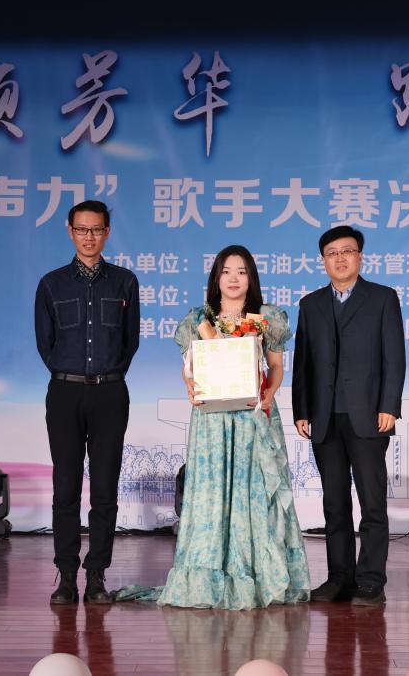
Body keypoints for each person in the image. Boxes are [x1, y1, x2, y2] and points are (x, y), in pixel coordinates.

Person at [145, 245, 310, 609]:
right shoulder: (198, 319)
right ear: (216, 277)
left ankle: (258, 576)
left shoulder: (265, 317)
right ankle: (210, 577)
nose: (234, 279)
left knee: (254, 492)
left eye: (242, 272)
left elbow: (276, 367)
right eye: (226, 271)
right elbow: (191, 368)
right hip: (212, 421)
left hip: (253, 415)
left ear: (251, 278)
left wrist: (269, 393)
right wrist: (189, 385)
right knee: (212, 492)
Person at [292, 226, 405, 606]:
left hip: (369, 415)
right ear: (323, 260)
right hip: (325, 418)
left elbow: (394, 357)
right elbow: (303, 362)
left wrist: (389, 405)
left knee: (372, 503)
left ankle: (371, 581)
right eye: (332, 253)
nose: (339, 258)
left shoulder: (382, 298)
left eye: (347, 251)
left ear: (360, 256)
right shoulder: (311, 304)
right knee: (334, 503)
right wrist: (302, 410)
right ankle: (339, 578)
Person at [34, 200, 140, 604]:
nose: (89, 236)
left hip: (110, 392)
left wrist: (108, 375)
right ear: (70, 231)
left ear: (107, 232)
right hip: (65, 392)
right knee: (65, 486)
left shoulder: (124, 282)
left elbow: (130, 341)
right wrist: (71, 373)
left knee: (105, 487)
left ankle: (96, 575)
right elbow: (45, 344)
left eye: (96, 229)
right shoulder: (51, 284)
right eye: (82, 229)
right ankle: (66, 575)